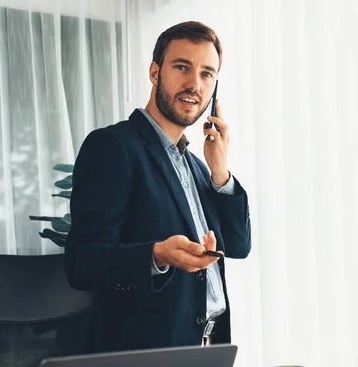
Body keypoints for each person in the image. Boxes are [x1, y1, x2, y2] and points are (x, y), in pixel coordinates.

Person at [64, 21, 251, 352]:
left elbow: (238, 245)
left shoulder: (196, 166)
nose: (194, 83)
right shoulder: (113, 146)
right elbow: (82, 263)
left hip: (208, 347)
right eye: (182, 67)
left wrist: (219, 172)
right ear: (155, 72)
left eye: (207, 74)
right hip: (148, 352)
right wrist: (157, 255)